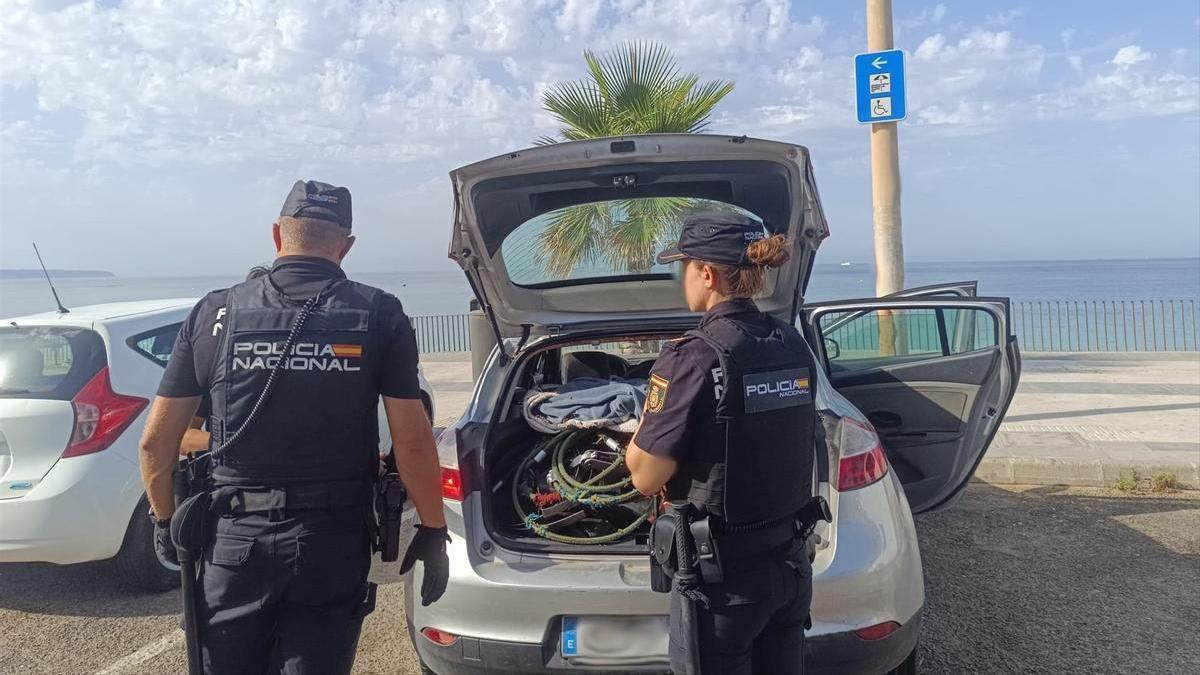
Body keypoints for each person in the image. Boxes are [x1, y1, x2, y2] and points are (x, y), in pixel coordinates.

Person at [138, 181, 450, 674]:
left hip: (232, 541)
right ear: (346, 246)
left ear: (277, 236)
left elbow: (156, 442)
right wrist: (433, 528)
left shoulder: (214, 312)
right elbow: (411, 440)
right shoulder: (379, 312)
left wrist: (163, 521)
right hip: (331, 541)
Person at [625, 212, 820, 674]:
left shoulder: (691, 358)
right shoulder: (792, 342)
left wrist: (637, 432)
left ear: (706, 274)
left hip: (725, 585)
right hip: (791, 567)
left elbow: (645, 477)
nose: (682, 278)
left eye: (684, 267)